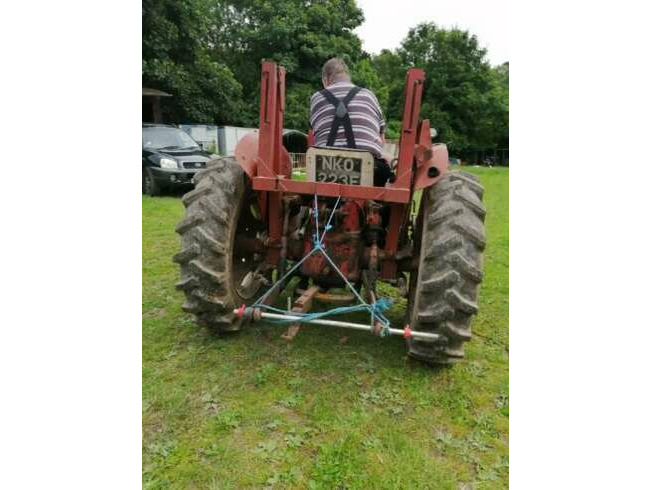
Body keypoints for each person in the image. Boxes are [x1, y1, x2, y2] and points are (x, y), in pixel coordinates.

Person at [309, 57, 394, 187]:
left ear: (325, 80)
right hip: (369, 169)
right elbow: (381, 138)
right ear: (348, 77)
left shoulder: (316, 98)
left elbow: (316, 134)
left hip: (324, 169)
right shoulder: (369, 95)